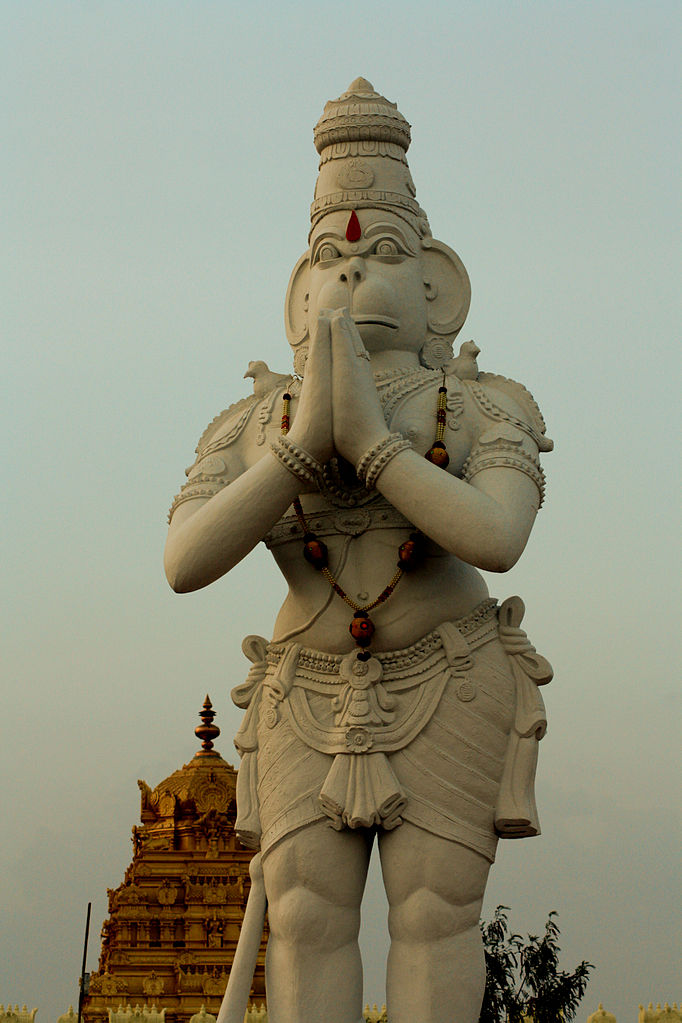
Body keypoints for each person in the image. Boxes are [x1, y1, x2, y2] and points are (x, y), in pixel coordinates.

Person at [165, 78, 553, 1023]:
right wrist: (299, 453)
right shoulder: (255, 424)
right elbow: (183, 560)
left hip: (448, 675)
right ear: (302, 293)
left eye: (380, 253)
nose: (349, 275)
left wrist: (375, 447)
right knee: (302, 919)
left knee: (436, 913)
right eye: (327, 260)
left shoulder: (484, 408)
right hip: (307, 689)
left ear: (435, 287)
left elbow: (497, 537)